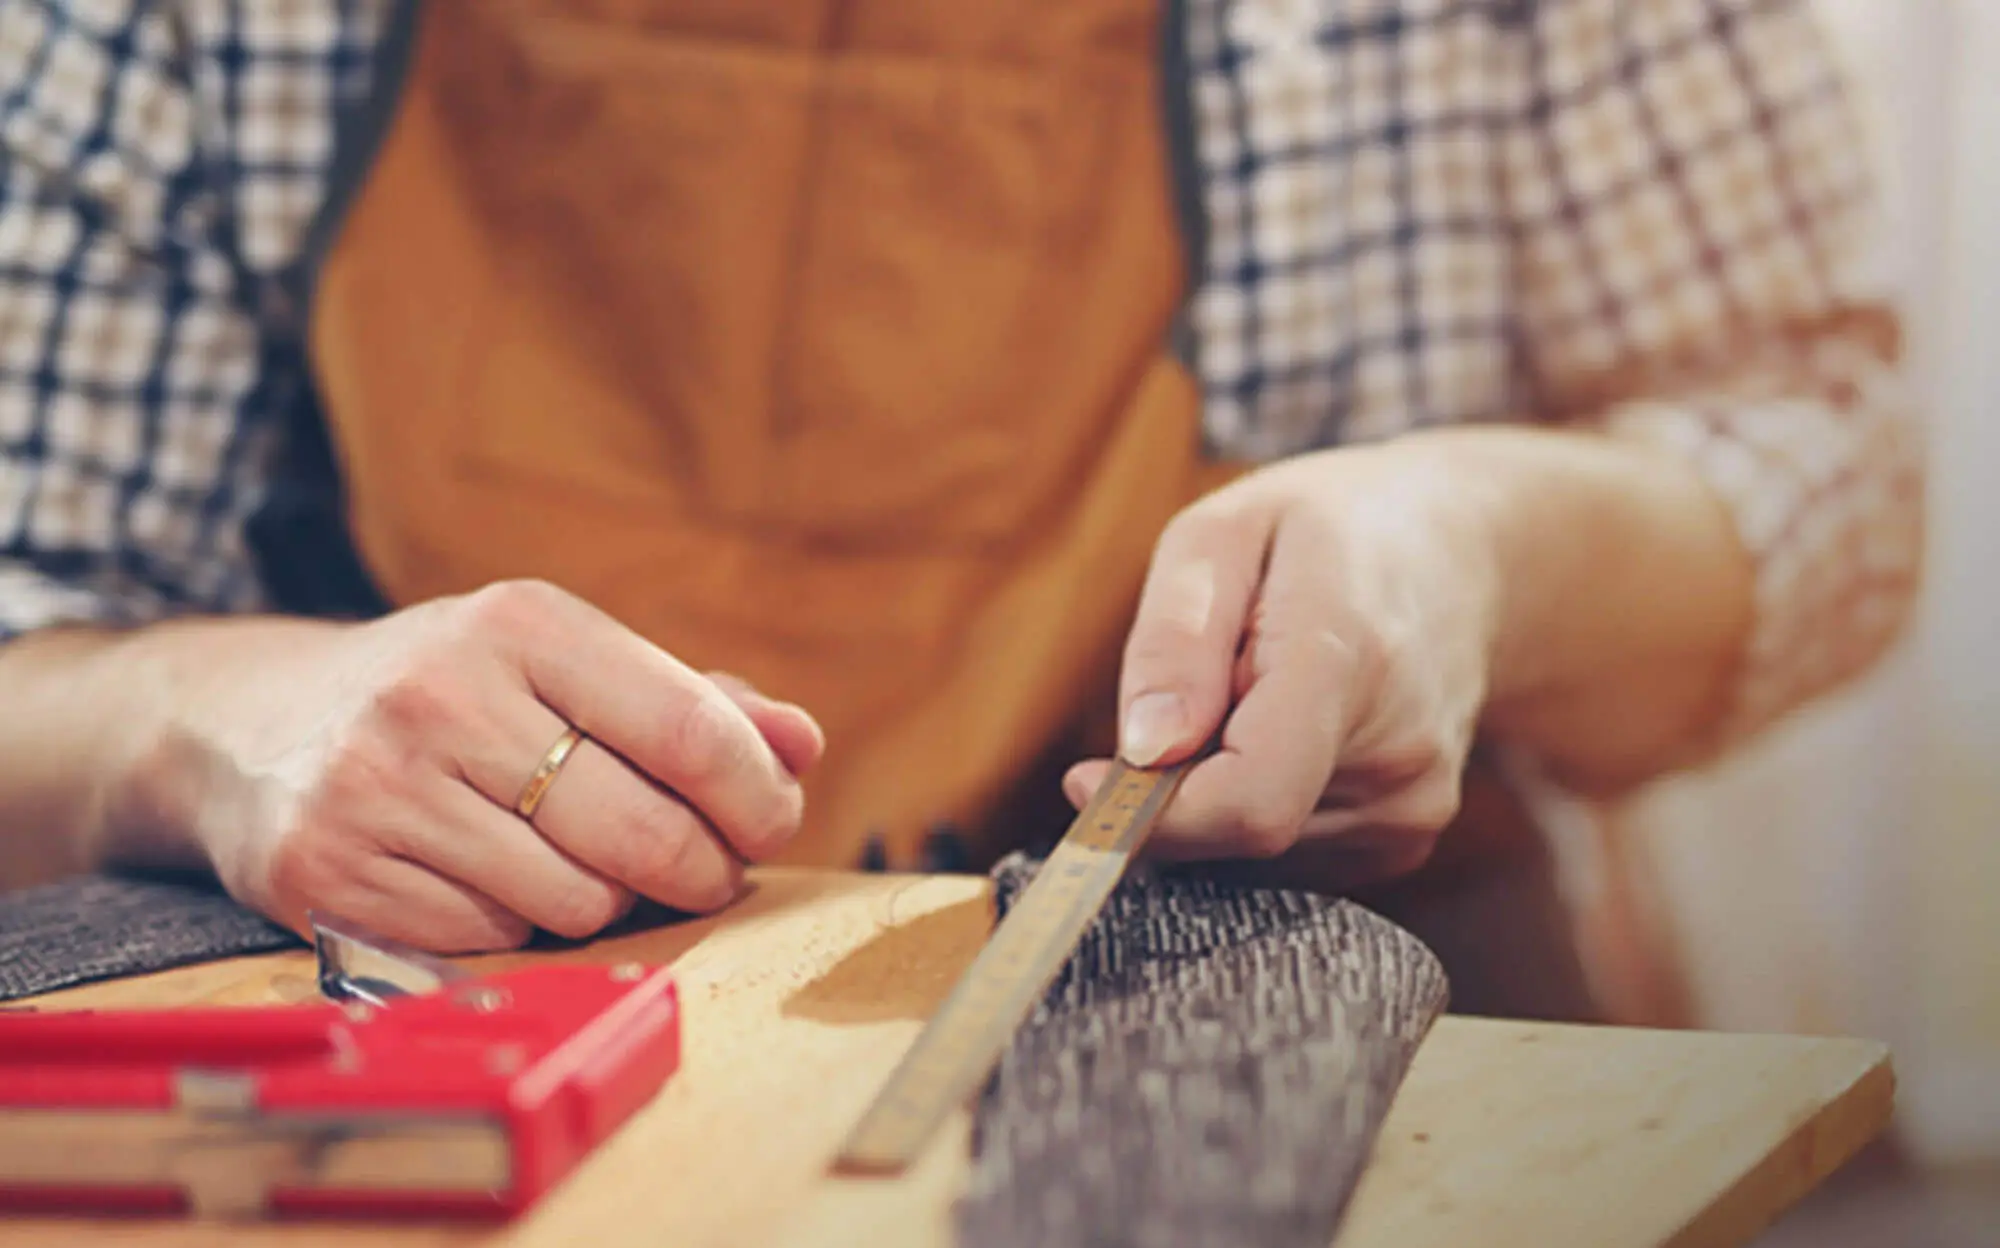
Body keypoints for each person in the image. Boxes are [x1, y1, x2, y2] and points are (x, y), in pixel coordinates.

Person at [0, 0, 1921, 1017]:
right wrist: (211, 710)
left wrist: (1467, 544)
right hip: (412, 1086)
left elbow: (1823, 459)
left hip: (1341, 1078)